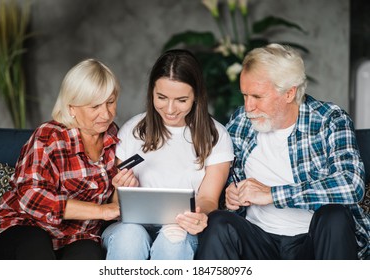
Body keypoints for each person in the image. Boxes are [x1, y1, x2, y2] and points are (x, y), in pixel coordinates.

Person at [195, 43, 370, 260]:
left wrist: (272, 194)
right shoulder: (241, 121)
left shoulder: (329, 119)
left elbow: (351, 184)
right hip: (259, 240)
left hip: (313, 240)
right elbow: (219, 181)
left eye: (257, 97)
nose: (248, 106)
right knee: (219, 222)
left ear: (289, 93)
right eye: (245, 95)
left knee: (335, 215)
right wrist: (230, 196)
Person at [0, 58, 132, 259]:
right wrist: (101, 211)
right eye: (95, 106)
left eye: (110, 102)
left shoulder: (115, 137)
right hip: (23, 227)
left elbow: (115, 207)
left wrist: (122, 189)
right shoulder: (48, 136)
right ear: (71, 108)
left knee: (89, 254)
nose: (105, 113)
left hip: (76, 236)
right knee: (36, 244)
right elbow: (32, 198)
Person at [101, 49, 234, 260]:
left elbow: (209, 199)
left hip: (182, 227)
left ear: (196, 97)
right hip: (130, 226)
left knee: (173, 239)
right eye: (161, 97)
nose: (170, 109)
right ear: (151, 92)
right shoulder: (132, 130)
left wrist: (199, 215)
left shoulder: (216, 135)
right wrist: (120, 188)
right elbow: (117, 202)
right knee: (130, 237)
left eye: (181, 100)